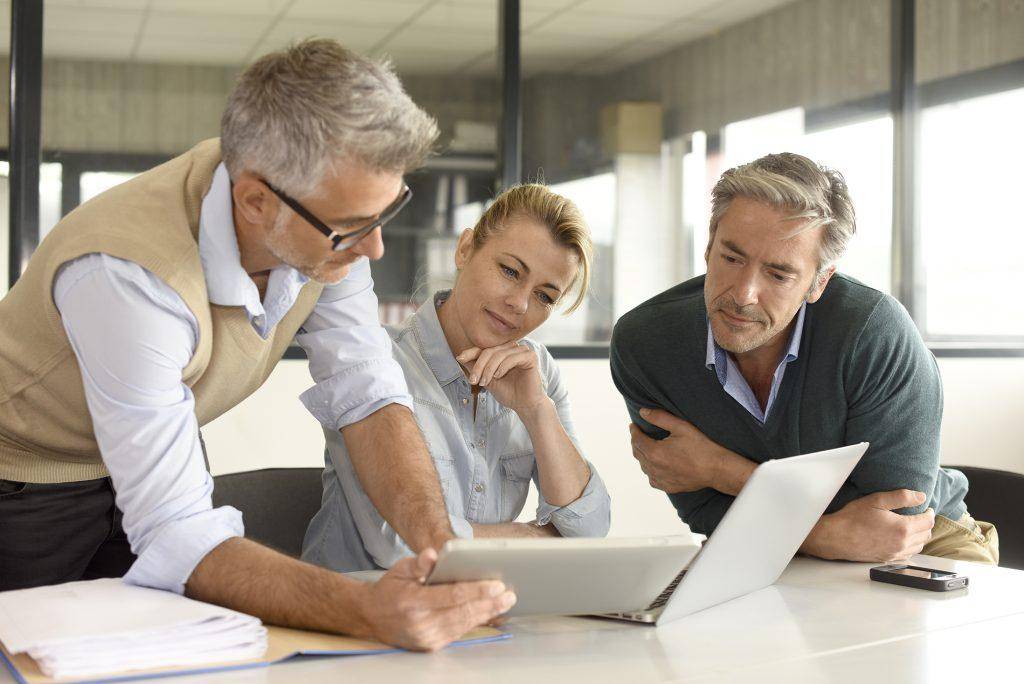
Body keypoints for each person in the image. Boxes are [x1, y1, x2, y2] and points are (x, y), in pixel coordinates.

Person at [0, 39, 515, 651]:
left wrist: (443, 548)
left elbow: (368, 395)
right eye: (353, 227)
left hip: (144, 454)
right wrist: (367, 610)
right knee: (26, 660)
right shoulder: (129, 274)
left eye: (386, 213)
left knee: (164, 655)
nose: (373, 250)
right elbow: (177, 530)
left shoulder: (321, 222)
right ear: (254, 201)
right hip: (22, 479)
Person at [610, 152, 998, 565]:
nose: (743, 294)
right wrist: (825, 536)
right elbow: (703, 510)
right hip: (765, 549)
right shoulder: (646, 345)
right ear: (709, 245)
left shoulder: (873, 333)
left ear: (819, 281)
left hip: (924, 542)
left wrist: (722, 470)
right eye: (732, 257)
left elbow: (889, 521)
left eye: (778, 275)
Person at [304, 184, 612, 571]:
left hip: (480, 612)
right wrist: (536, 537)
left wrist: (536, 410)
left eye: (545, 296)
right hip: (355, 615)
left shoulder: (538, 373)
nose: (519, 304)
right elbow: (402, 545)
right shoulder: (377, 364)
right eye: (510, 271)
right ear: (465, 248)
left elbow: (589, 531)